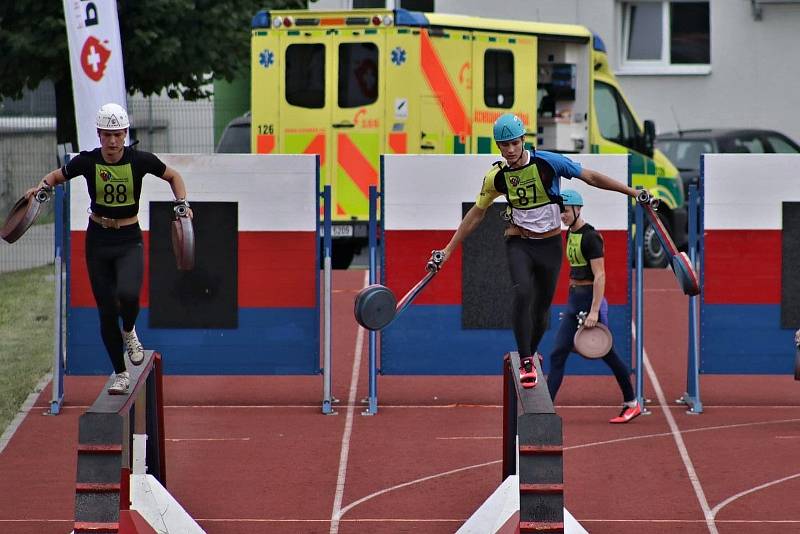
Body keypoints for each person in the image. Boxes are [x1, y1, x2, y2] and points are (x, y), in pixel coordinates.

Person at [430, 113, 645, 389]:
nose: (509, 151)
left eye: (514, 143)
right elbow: (476, 214)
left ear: (523, 141)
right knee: (522, 292)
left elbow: (590, 176)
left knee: (541, 312)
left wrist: (632, 192)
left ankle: (530, 351)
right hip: (519, 241)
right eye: (503, 145)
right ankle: (528, 361)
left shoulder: (548, 162)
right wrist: (447, 250)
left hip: (550, 245)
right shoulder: (497, 177)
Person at [25, 103, 192, 395]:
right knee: (105, 310)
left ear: (126, 133)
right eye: (107, 135)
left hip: (129, 238)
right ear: (99, 135)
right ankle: (120, 373)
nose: (113, 141)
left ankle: (129, 330)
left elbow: (174, 176)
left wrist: (182, 205)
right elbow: (54, 178)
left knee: (128, 295)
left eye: (118, 134)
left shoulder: (139, 160)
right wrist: (39, 189)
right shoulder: (88, 162)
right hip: (98, 240)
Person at [546, 189, 640, 423]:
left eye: (565, 211)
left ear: (578, 209)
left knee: (607, 353)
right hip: (574, 301)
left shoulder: (591, 237)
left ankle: (632, 402)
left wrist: (595, 311)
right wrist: (571, 303)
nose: (562, 215)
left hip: (590, 300)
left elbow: (600, 276)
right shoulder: (569, 234)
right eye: (560, 211)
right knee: (558, 353)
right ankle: (545, 410)